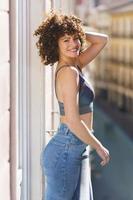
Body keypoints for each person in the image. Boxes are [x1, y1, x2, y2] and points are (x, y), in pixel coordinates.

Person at [34, 11, 110, 200]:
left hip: (74, 148)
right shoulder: (69, 72)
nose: (73, 44)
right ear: (55, 43)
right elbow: (73, 120)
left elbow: (102, 40)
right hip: (67, 149)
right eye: (65, 40)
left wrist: (73, 29)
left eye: (75, 39)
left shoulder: (75, 64)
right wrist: (99, 146)